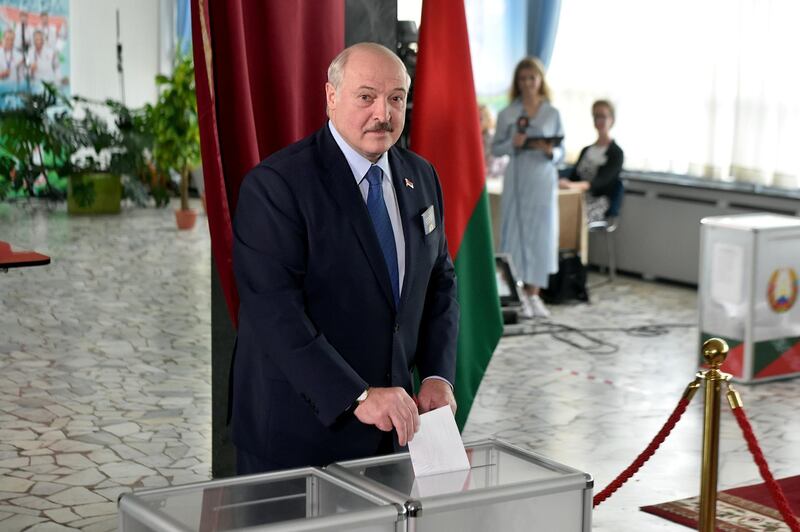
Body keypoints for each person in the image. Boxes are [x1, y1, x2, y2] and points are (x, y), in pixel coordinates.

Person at [231, 42, 459, 474]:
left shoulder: (421, 176)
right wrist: (356, 395)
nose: (383, 114)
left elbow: (440, 284)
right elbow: (274, 313)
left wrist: (436, 375)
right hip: (298, 435)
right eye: (366, 96)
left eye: (396, 99)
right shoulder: (276, 186)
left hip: (396, 430)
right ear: (331, 96)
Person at [492, 57, 564, 318]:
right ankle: (517, 293)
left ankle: (535, 295)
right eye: (522, 79)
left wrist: (550, 151)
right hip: (517, 179)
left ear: (540, 80)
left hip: (542, 180)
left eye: (531, 78)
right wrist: (514, 143)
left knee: (541, 236)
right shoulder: (508, 113)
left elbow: (561, 153)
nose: (527, 84)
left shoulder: (552, 113)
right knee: (515, 233)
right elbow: (496, 148)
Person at [559, 100, 624, 223]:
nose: (599, 120)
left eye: (603, 116)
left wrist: (572, 186)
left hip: (599, 200)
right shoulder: (586, 150)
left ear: (612, 119)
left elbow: (601, 182)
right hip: (577, 196)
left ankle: (572, 242)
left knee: (571, 217)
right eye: (596, 116)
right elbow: (574, 175)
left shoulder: (616, 153)